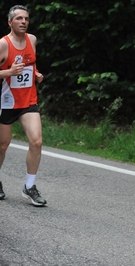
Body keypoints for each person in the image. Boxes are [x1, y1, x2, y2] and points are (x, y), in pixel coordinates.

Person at [0, 5, 46, 206]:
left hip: (28, 100)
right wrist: (8, 73)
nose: (23, 22)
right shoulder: (3, 44)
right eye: (18, 18)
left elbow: (30, 63)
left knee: (36, 142)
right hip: (6, 102)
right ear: (10, 22)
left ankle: (29, 187)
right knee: (2, 145)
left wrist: (36, 74)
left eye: (26, 18)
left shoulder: (32, 40)